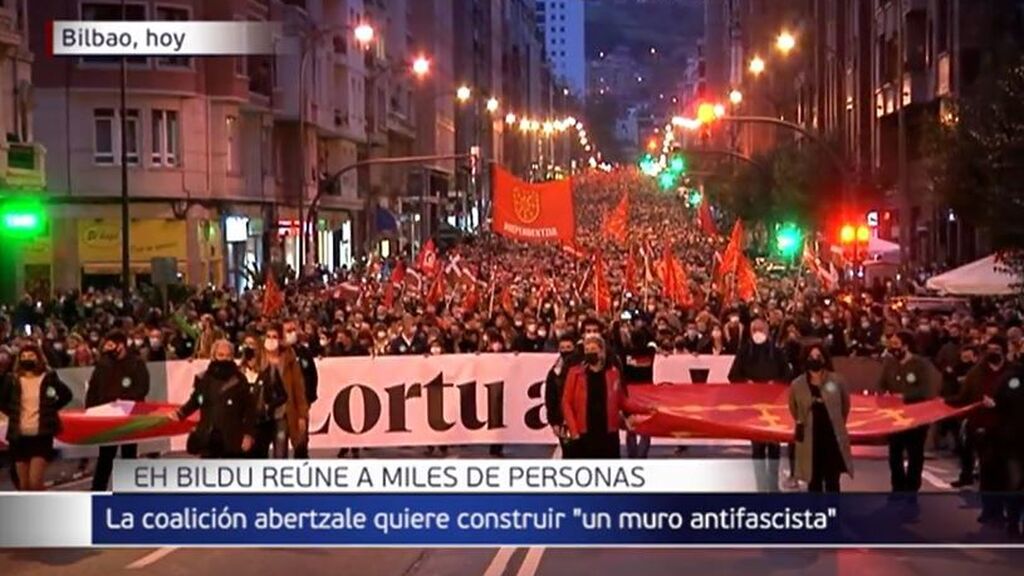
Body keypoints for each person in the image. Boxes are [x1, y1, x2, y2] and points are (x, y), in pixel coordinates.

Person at [947, 337, 1012, 523]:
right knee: (987, 471)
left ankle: (1004, 511)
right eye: (989, 349)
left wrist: (999, 404)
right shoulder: (976, 373)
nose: (993, 353)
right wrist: (943, 403)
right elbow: (964, 397)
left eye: (996, 349)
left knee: (1005, 473)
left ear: (1004, 351)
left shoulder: (1014, 372)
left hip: (1008, 429)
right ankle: (989, 510)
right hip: (983, 428)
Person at [728, 318, 791, 492]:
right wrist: (747, 383)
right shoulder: (744, 351)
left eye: (760, 329)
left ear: (767, 331)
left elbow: (787, 374)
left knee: (774, 448)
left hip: (774, 407)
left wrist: (775, 383)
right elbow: (733, 375)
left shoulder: (776, 351)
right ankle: (761, 487)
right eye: (754, 329)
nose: (758, 332)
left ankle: (773, 485)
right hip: (753, 407)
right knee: (757, 449)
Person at [0, 344, 74, 490]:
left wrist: (49, 410)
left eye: (31, 356)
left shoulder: (49, 378)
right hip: (19, 437)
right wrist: (14, 414)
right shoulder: (12, 380)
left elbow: (66, 395)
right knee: (24, 484)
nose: (27, 359)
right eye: (23, 356)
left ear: (39, 358)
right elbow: (2, 402)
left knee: (35, 482)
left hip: (41, 436)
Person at [878, 331, 941, 499]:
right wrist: (885, 395)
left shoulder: (921, 365)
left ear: (906, 345)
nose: (893, 348)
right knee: (894, 454)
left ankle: (912, 489)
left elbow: (927, 390)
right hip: (895, 418)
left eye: (896, 344)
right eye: (891, 345)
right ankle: (897, 488)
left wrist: (905, 397)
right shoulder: (890, 364)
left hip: (916, 418)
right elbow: (882, 384)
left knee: (915, 454)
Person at [87, 330, 150, 491]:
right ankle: (97, 492)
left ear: (120, 345)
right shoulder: (103, 365)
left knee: (129, 455)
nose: (107, 348)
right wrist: (91, 411)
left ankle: (128, 493)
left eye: (110, 345)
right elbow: (93, 389)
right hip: (108, 418)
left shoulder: (136, 363)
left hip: (129, 418)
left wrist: (124, 402)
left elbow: (142, 387)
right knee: (105, 457)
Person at [171, 340, 256, 458]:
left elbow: (250, 409)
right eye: (221, 355)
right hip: (208, 438)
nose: (225, 359)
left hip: (232, 440)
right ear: (214, 356)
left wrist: (248, 435)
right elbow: (196, 400)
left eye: (228, 356)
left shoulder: (239, 380)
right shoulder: (203, 378)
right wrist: (181, 413)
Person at [788, 344, 853, 492]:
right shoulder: (797, 385)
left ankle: (833, 507)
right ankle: (816, 507)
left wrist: (837, 422)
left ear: (824, 359)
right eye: (811, 357)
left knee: (832, 481)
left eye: (818, 356)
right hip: (810, 438)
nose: (815, 359)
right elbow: (794, 409)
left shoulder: (837, 381)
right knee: (813, 481)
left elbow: (845, 406)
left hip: (832, 438)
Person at [562, 334, 623, 459]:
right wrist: (574, 431)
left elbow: (621, 399)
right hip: (583, 434)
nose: (590, 352)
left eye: (593, 349)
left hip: (608, 434)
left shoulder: (614, 372)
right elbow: (566, 402)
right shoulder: (575, 373)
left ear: (602, 351)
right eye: (587, 350)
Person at [255, 324, 308, 458]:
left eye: (274, 337)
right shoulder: (257, 358)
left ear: (280, 340)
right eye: (268, 336)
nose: (271, 340)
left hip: (282, 414)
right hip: (261, 415)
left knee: (280, 453)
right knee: (259, 454)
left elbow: (298, 388)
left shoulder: (289, 359)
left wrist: (302, 415)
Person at [992, 362, 1024, 536]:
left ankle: (1013, 522)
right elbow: (1000, 402)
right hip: (1015, 442)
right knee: (1015, 484)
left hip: (1013, 439)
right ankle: (1013, 523)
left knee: (1015, 484)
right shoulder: (1013, 378)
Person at [283, 320, 317, 459]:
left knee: (301, 438)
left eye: (293, 330)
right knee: (281, 439)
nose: (292, 333)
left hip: (301, 402)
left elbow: (312, 375)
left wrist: (309, 397)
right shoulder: (278, 353)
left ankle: (301, 463)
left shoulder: (304, 352)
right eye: (288, 330)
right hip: (282, 403)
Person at [545, 333, 580, 458]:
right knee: (568, 454)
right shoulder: (554, 372)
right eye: (563, 348)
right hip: (563, 421)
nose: (565, 351)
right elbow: (550, 399)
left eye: (568, 347)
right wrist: (554, 422)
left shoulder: (583, 369)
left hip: (583, 420)